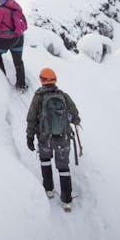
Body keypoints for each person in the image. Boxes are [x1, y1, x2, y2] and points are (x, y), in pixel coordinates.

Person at [25, 67, 81, 211]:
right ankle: (67, 200)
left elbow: (31, 119)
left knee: (45, 162)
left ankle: (49, 189)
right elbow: (75, 117)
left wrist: (30, 137)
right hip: (63, 138)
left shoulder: (38, 97)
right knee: (63, 167)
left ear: (42, 80)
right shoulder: (64, 96)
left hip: (45, 138)